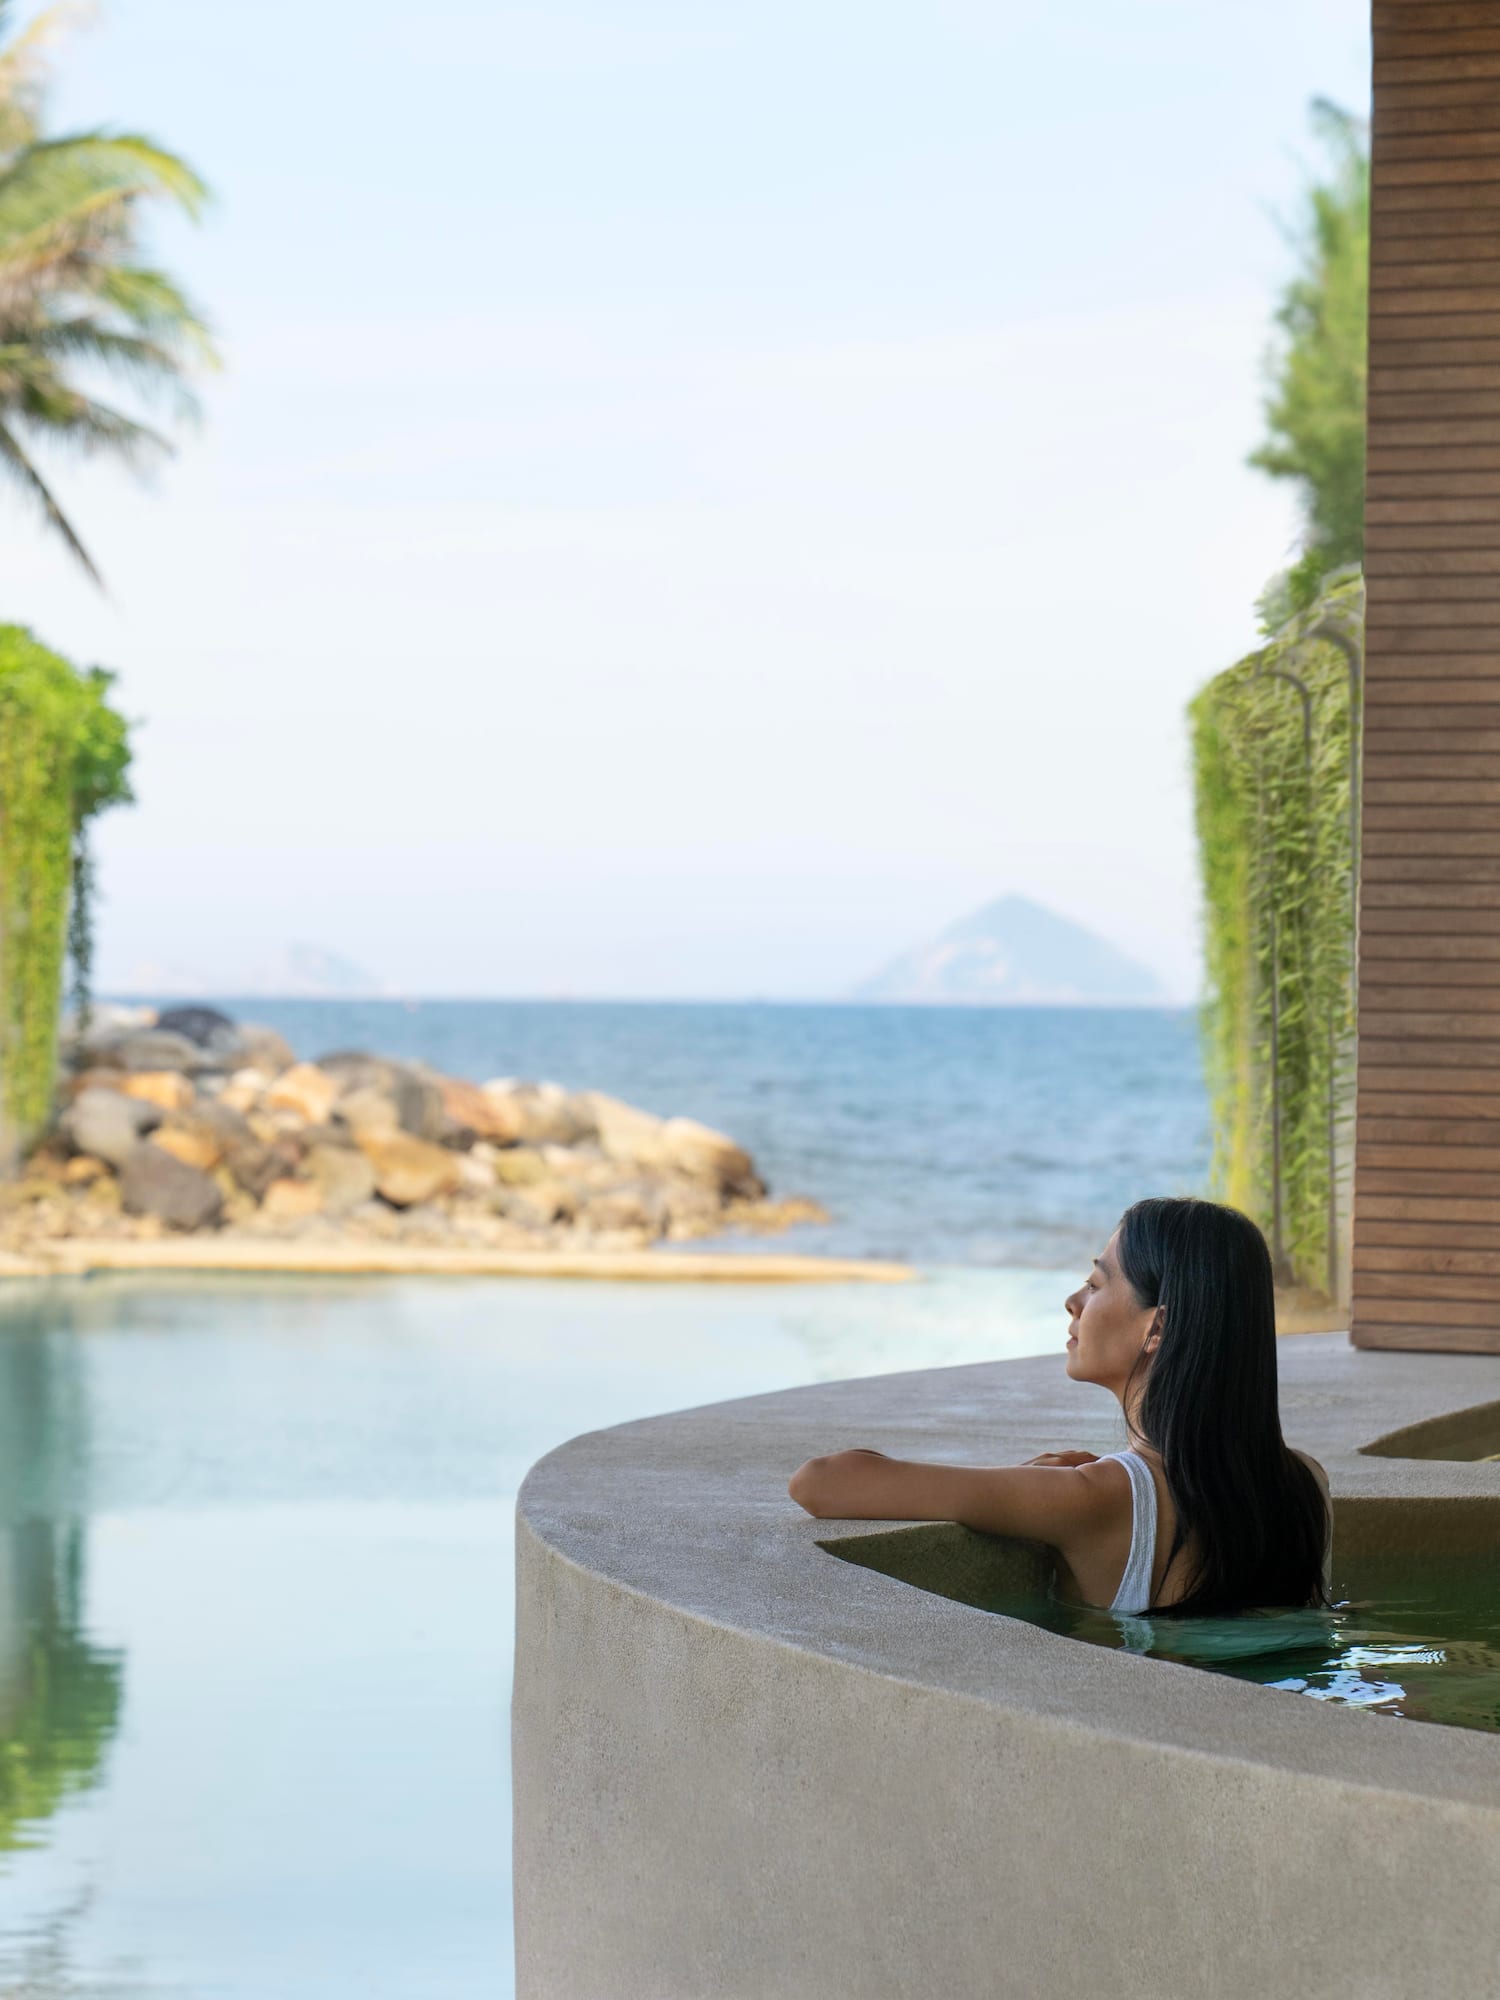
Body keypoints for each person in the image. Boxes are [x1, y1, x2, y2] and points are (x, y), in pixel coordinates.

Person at [788, 1195, 1333, 1617]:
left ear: (1157, 1327)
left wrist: (1031, 1481)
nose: (1073, 1302)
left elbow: (820, 1482)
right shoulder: (1307, 1483)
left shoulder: (1096, 1498)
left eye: (1095, 1285)